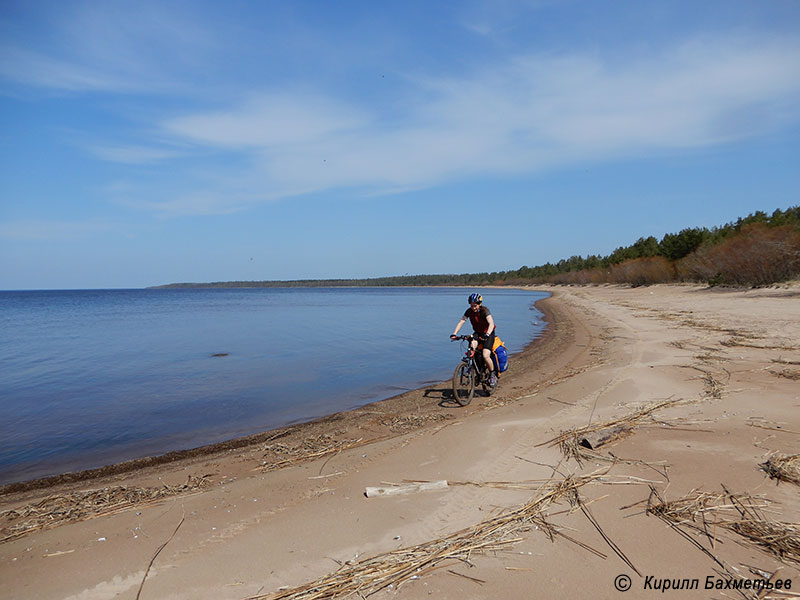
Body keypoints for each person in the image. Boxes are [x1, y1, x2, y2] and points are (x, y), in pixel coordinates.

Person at [450, 292, 497, 385]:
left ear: (479, 304)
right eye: (471, 305)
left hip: (488, 333)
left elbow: (491, 323)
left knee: (485, 355)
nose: (473, 307)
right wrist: (454, 333)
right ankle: (472, 369)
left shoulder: (485, 311)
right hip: (477, 333)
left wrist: (487, 334)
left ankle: (492, 374)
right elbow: (462, 321)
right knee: (472, 348)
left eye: (475, 305)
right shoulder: (469, 311)